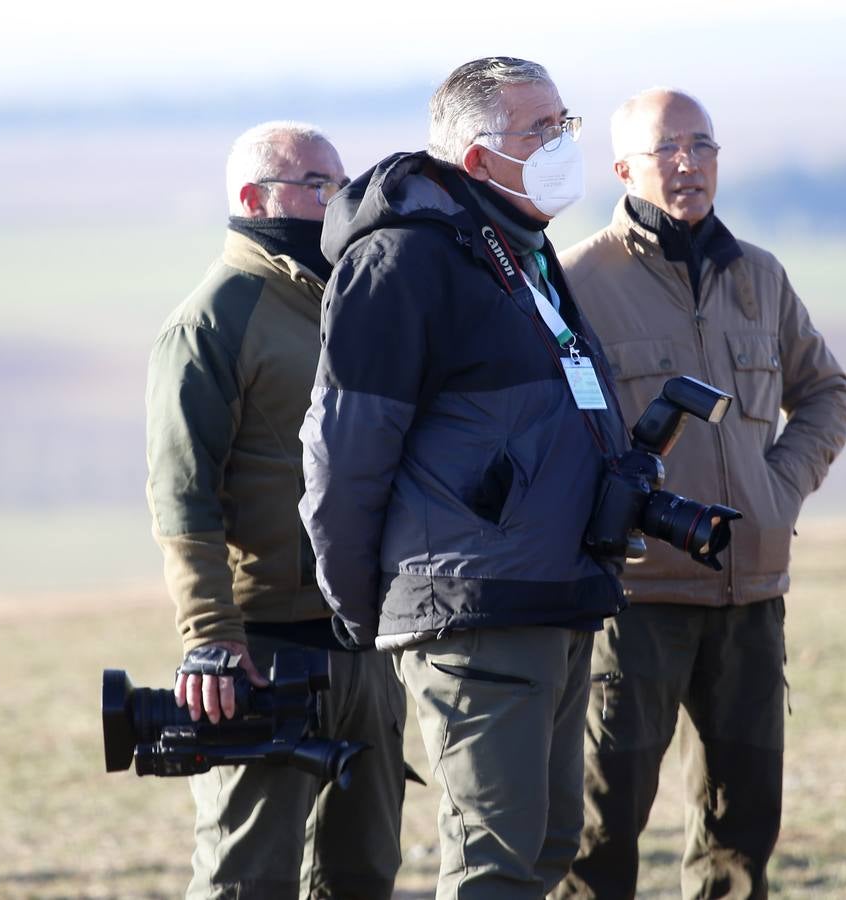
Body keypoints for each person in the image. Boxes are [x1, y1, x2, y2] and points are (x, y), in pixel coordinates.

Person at [298, 58, 629, 898]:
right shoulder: (402, 262)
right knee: (493, 866)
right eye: (540, 131)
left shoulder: (525, 253)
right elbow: (344, 452)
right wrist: (363, 602)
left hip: (554, 593)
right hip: (472, 607)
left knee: (547, 845)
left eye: (565, 125)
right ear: (478, 159)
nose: (561, 145)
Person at [554, 88, 846, 899]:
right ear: (623, 168)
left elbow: (828, 392)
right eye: (666, 149)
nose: (688, 163)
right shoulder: (576, 282)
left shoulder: (759, 276)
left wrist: (776, 489)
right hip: (632, 601)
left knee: (741, 837)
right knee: (597, 833)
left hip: (750, 599)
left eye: (703, 145)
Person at [145, 120, 406, 900]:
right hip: (261, 654)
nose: (341, 201)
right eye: (321, 186)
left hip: (364, 643)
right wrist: (213, 640)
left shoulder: (347, 301)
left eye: (342, 183)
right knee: (247, 880)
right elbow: (181, 496)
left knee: (363, 873)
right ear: (259, 198)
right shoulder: (212, 319)